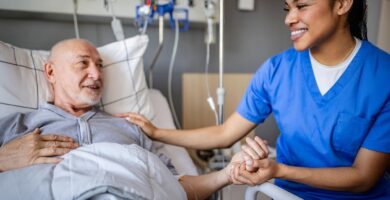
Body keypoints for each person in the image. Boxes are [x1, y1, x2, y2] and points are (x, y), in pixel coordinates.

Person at [117, 0, 390, 199]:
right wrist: (157, 133)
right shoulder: (277, 70)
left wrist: (279, 170)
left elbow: (363, 177)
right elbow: (225, 134)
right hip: (288, 196)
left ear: (342, 4)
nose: (288, 19)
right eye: (287, 8)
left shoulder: (383, 76)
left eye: (302, 6)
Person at [0, 39, 249, 200]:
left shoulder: (129, 128)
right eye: (83, 64)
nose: (96, 73)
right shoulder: (19, 125)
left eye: (99, 65)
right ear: (51, 72)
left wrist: (227, 174)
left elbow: (173, 188)